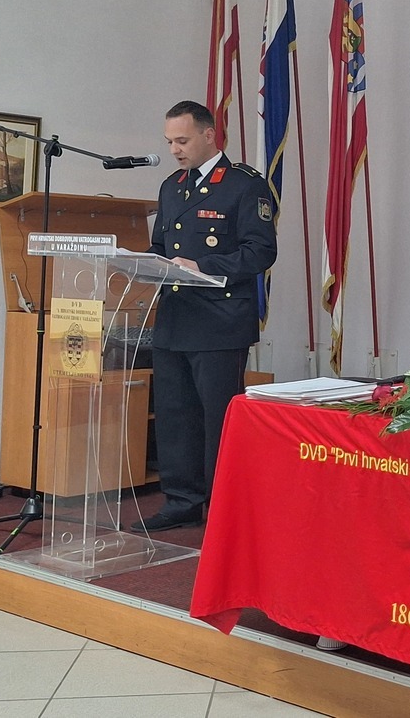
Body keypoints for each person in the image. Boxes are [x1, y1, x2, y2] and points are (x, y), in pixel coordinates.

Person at [132, 101, 278, 532]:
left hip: (219, 322)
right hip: (175, 320)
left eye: (182, 140)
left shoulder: (244, 185)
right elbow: (162, 248)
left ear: (209, 135)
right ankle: (181, 501)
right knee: (175, 416)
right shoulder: (171, 187)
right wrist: (139, 263)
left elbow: (261, 251)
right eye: (169, 142)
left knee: (218, 419)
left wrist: (205, 266)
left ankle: (222, 505)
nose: (174, 150)